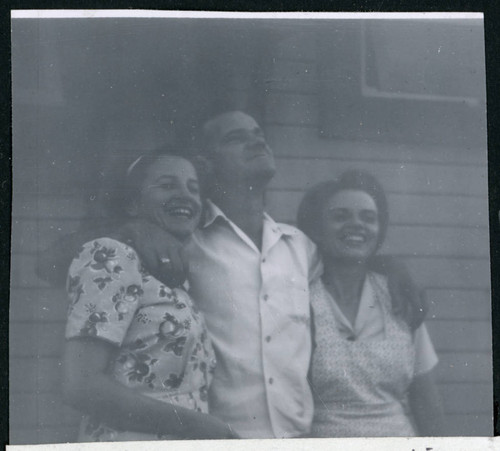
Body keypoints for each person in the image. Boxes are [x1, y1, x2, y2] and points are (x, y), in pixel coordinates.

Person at [61, 148, 238, 441]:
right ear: (133, 204)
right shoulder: (112, 255)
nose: (185, 195)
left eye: (193, 188)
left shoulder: (169, 273)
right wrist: (203, 427)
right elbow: (80, 385)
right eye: (168, 185)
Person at [297, 170, 445, 437]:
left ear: (379, 231)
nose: (356, 225)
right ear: (317, 229)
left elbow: (427, 403)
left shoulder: (400, 295)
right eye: (340, 216)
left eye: (368, 218)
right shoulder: (298, 299)